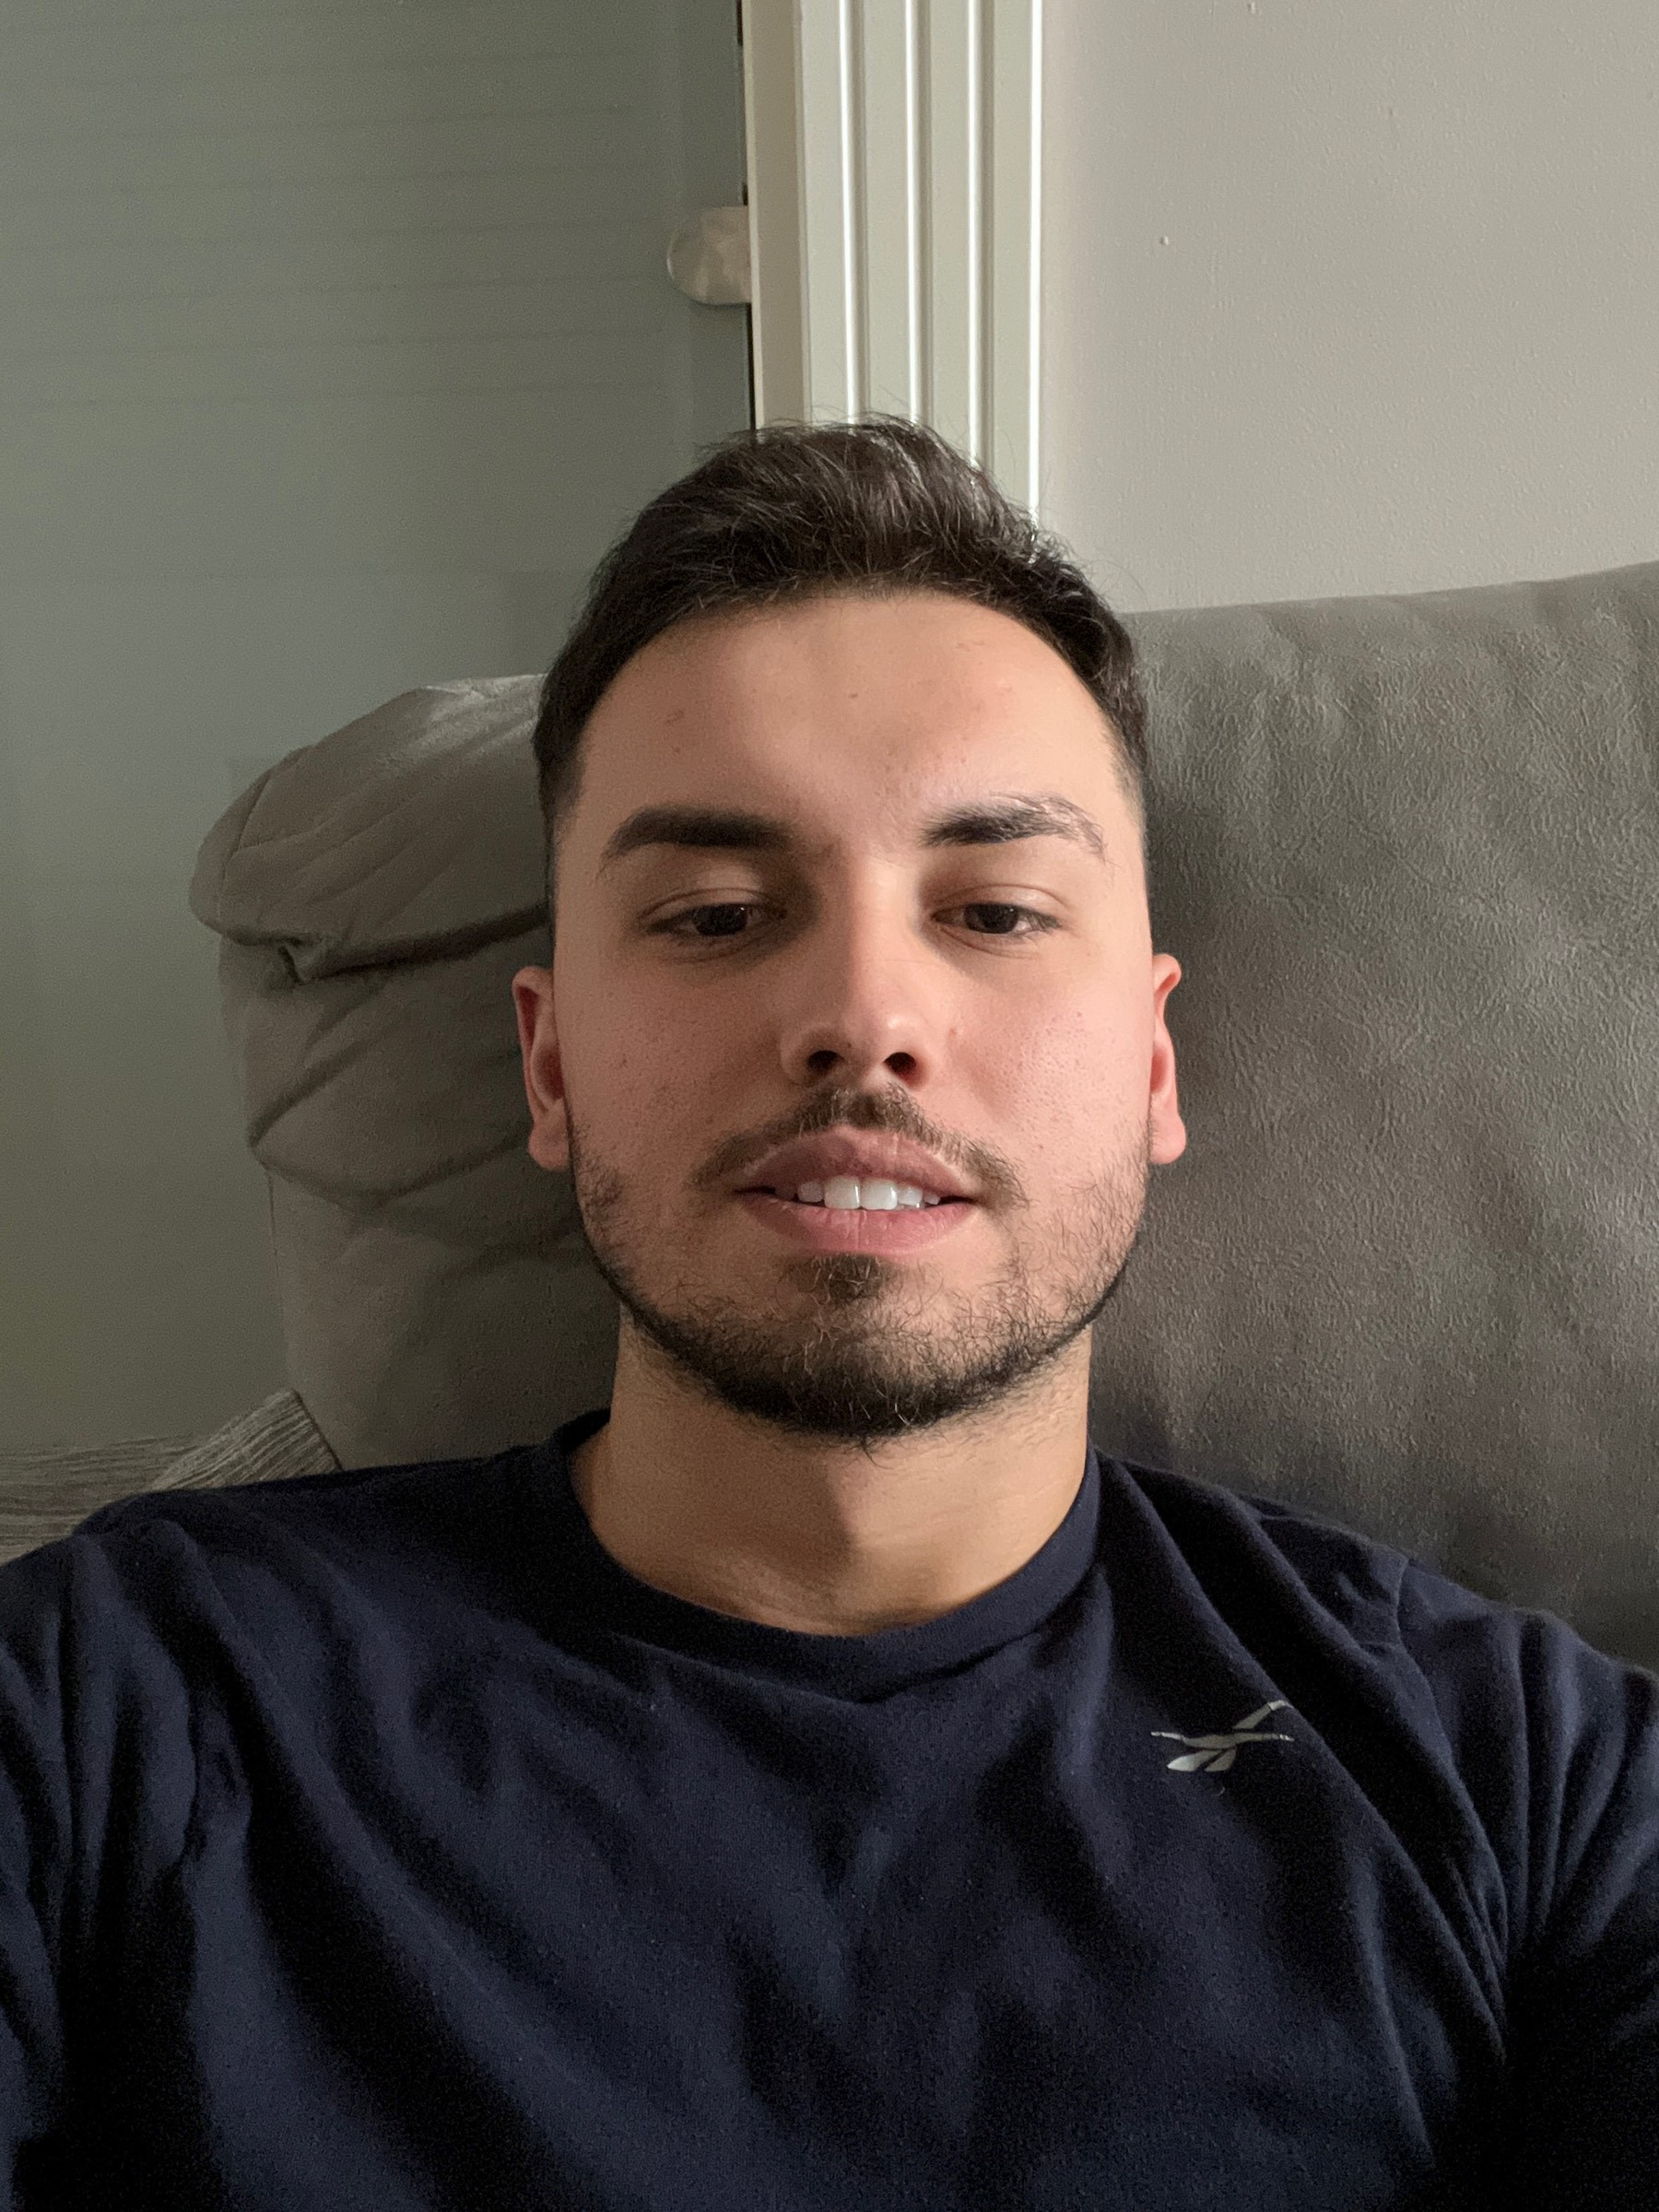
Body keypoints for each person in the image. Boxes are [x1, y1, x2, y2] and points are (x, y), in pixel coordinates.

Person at [2, 418, 1654, 2209]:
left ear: (1153, 1065)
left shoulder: (1536, 1787)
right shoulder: (108, 1705)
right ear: (550, 1068)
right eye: (716, 916)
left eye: (996, 910)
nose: (864, 1015)